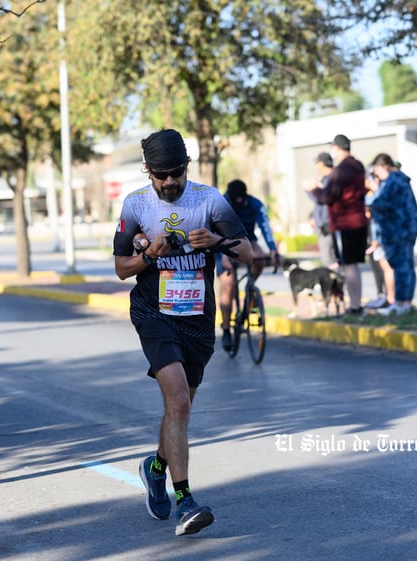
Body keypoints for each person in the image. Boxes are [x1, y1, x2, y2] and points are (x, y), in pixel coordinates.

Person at [113, 129, 252, 536]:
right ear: (148, 172)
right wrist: (147, 255)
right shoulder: (136, 205)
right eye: (161, 175)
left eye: (176, 172)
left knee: (182, 406)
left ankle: (155, 468)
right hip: (153, 313)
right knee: (177, 398)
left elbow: (247, 250)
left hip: (197, 319)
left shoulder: (209, 200)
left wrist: (217, 240)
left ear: (186, 167)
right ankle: (185, 500)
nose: (170, 181)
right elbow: (122, 267)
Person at [307, 134, 369, 315]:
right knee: (354, 265)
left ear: (338, 148)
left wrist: (314, 189)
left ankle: (355, 306)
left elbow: (329, 196)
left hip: (345, 222)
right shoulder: (358, 166)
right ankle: (356, 304)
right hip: (358, 220)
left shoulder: (343, 169)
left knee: (348, 265)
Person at [217, 179, 278, 350]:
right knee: (228, 283)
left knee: (259, 259)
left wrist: (273, 249)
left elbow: (265, 225)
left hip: (247, 239)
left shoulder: (254, 203)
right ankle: (227, 328)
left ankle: (250, 289)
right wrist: (223, 254)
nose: (238, 201)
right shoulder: (222, 203)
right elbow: (216, 229)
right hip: (223, 241)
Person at [369, 153, 417, 315]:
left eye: (376, 169)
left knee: (402, 267)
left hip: (400, 230)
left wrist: (363, 199)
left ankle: (401, 304)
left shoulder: (393, 180)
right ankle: (403, 303)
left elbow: (379, 202)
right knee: (404, 266)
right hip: (404, 229)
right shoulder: (399, 179)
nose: (375, 174)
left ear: (384, 166)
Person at [364, 172, 394, 310]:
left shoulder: (381, 192)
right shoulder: (369, 195)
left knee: (387, 268)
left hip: (382, 236)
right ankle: (382, 294)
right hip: (372, 235)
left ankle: (391, 298)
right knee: (378, 267)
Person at [305, 152, 337, 269]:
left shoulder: (332, 179)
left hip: (328, 226)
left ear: (322, 164)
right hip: (324, 225)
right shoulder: (325, 179)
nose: (316, 166)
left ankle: (335, 286)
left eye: (317, 163)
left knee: (330, 261)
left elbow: (322, 200)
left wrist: (310, 189)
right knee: (328, 259)